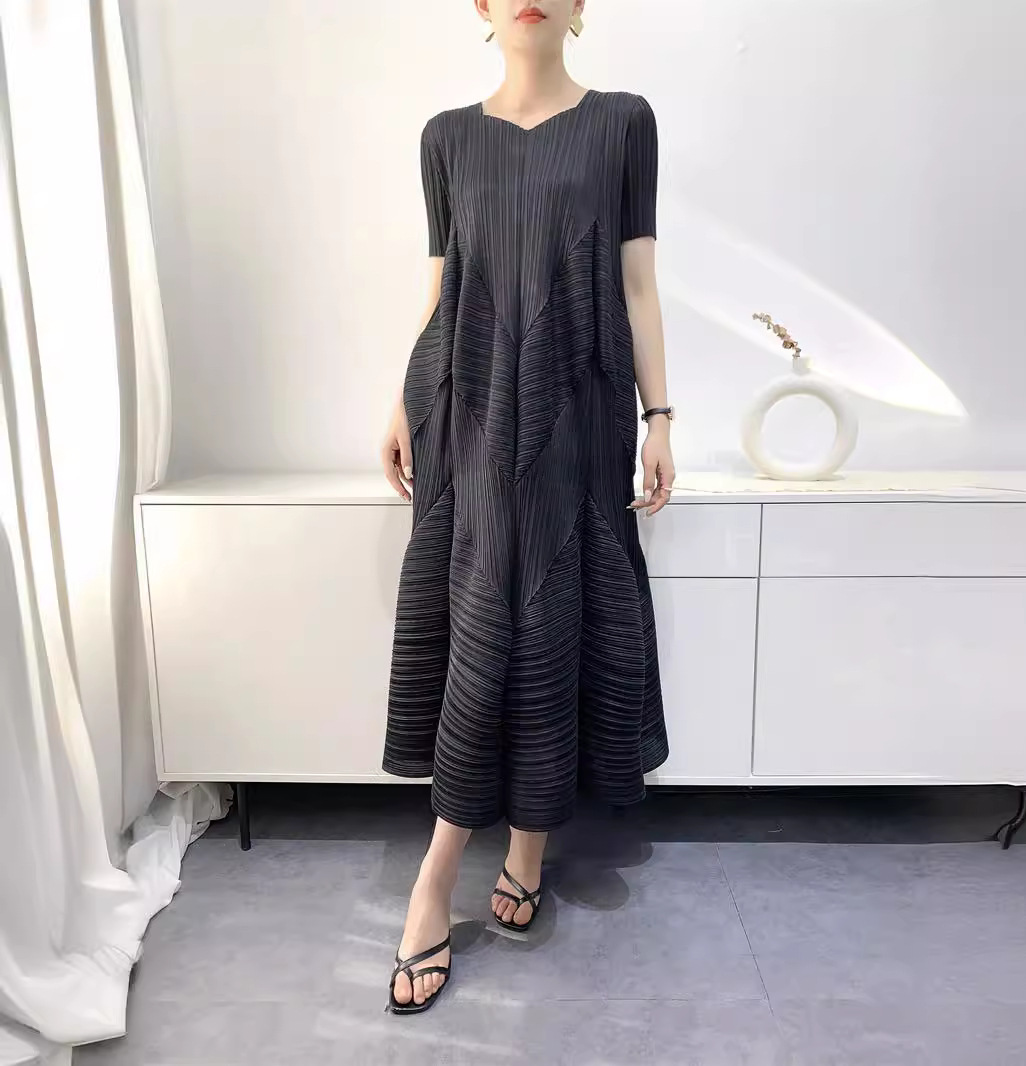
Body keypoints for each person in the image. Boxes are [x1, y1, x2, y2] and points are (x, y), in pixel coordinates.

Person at [379, 0, 674, 1014]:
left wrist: (660, 416)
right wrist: (401, 402)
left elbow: (639, 284)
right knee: (481, 620)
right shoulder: (446, 138)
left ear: (581, 8)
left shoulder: (623, 121)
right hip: (464, 405)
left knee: (553, 608)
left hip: (580, 406)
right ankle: (437, 874)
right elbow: (440, 287)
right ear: (480, 6)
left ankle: (529, 846)